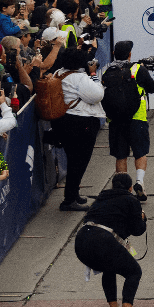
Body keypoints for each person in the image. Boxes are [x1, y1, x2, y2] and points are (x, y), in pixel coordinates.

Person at [73, 173, 148, 307]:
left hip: (81, 240)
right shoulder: (131, 200)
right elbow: (137, 230)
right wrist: (142, 218)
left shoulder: (101, 197)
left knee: (109, 268)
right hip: (103, 240)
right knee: (134, 272)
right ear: (129, 188)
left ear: (113, 185)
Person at [104, 41, 154, 201]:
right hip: (137, 118)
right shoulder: (137, 69)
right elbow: (152, 87)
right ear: (129, 55)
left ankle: (122, 190)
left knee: (121, 155)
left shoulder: (108, 71)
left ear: (114, 54)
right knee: (140, 152)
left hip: (115, 119)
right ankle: (139, 181)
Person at [57, 48, 106, 211]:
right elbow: (97, 95)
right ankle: (69, 199)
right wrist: (93, 75)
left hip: (65, 121)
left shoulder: (59, 73)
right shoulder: (79, 78)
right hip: (81, 122)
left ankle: (73, 194)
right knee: (79, 162)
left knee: (73, 160)